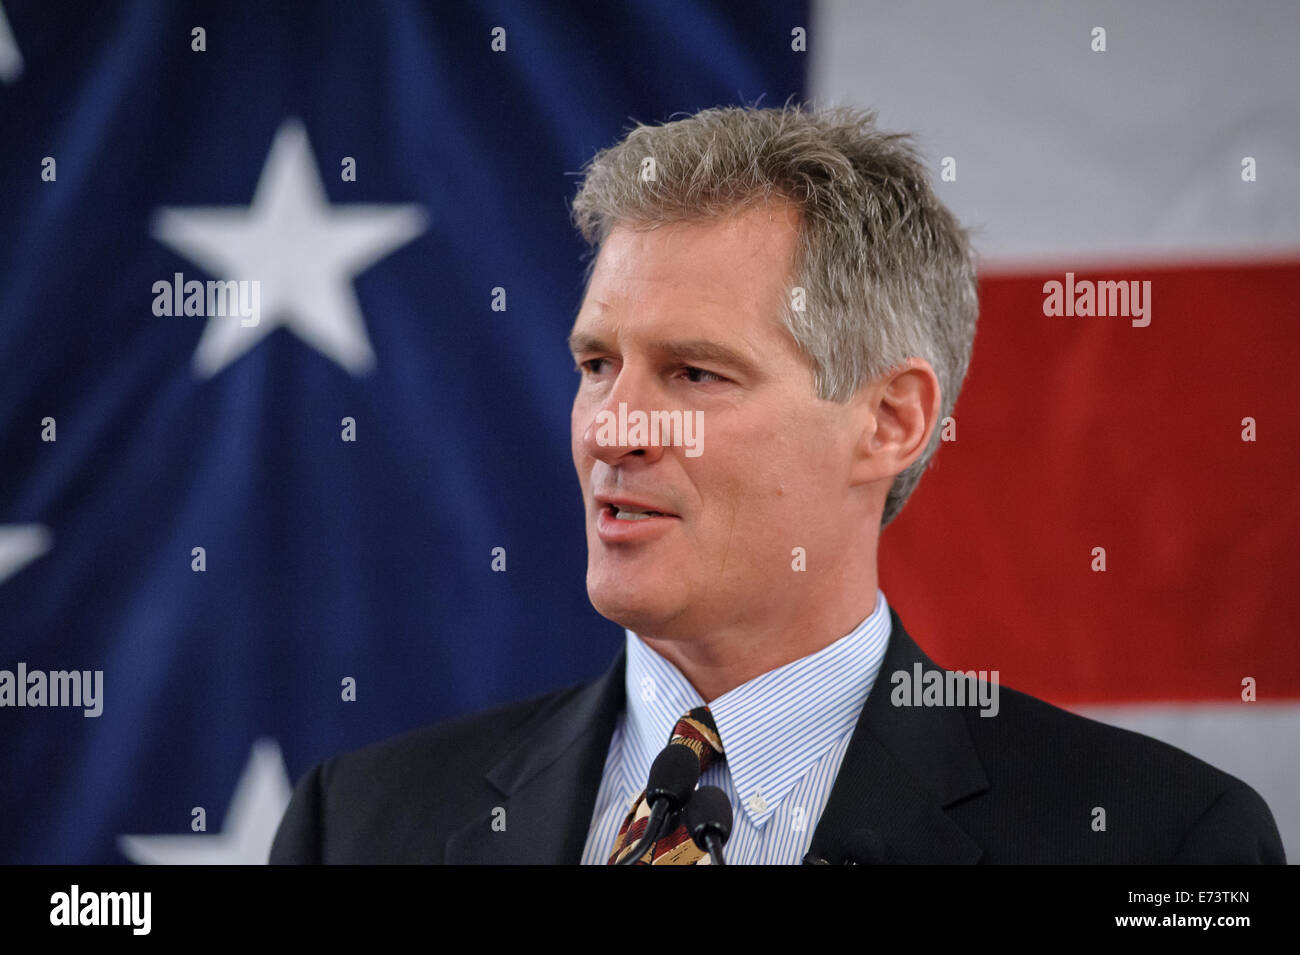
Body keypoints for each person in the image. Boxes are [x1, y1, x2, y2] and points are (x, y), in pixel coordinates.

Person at [270, 104, 1284, 864]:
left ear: (889, 421)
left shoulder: (1160, 843)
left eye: (694, 372)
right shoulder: (357, 826)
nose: (614, 428)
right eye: (594, 365)